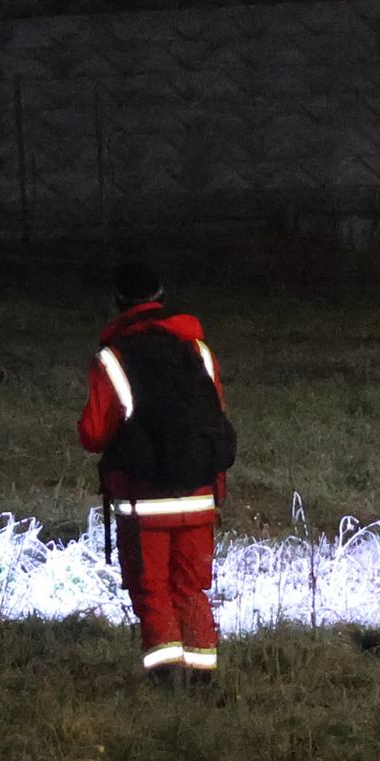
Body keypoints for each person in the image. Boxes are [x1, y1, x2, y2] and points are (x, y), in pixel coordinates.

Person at [76, 260, 235, 680]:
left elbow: (93, 432)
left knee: (152, 589)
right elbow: (216, 413)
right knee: (192, 587)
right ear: (161, 298)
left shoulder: (111, 359)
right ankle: (204, 678)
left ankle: (166, 683)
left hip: (143, 498)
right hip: (200, 491)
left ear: (118, 304)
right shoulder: (198, 349)